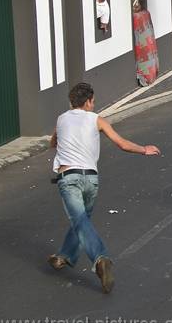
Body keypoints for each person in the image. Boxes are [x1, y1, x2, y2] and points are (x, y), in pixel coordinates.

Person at [48, 82, 160, 293]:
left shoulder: (61, 119)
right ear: (88, 101)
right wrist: (144, 149)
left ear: (71, 102)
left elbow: (52, 143)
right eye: (93, 101)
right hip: (91, 179)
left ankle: (100, 258)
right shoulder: (97, 119)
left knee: (79, 220)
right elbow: (122, 144)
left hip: (68, 178)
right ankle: (63, 257)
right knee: (82, 221)